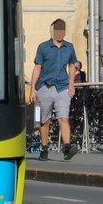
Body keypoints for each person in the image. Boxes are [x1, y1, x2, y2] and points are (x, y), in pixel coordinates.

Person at [28, 19, 80, 161]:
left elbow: (71, 65)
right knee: (44, 121)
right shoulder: (43, 47)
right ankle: (44, 148)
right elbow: (37, 68)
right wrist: (32, 89)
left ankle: (67, 148)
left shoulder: (69, 47)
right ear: (52, 31)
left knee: (63, 118)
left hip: (62, 88)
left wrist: (71, 84)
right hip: (44, 87)